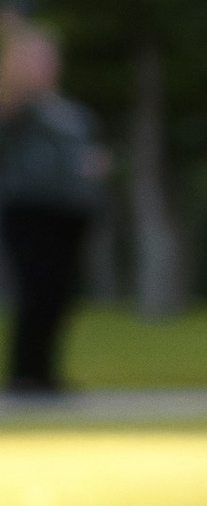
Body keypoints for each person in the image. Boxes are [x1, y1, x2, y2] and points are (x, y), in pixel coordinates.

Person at [0, 21, 108, 397]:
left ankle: (45, 373)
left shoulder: (70, 111)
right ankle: (25, 375)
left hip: (71, 211)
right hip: (31, 210)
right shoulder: (20, 105)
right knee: (36, 289)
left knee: (60, 294)